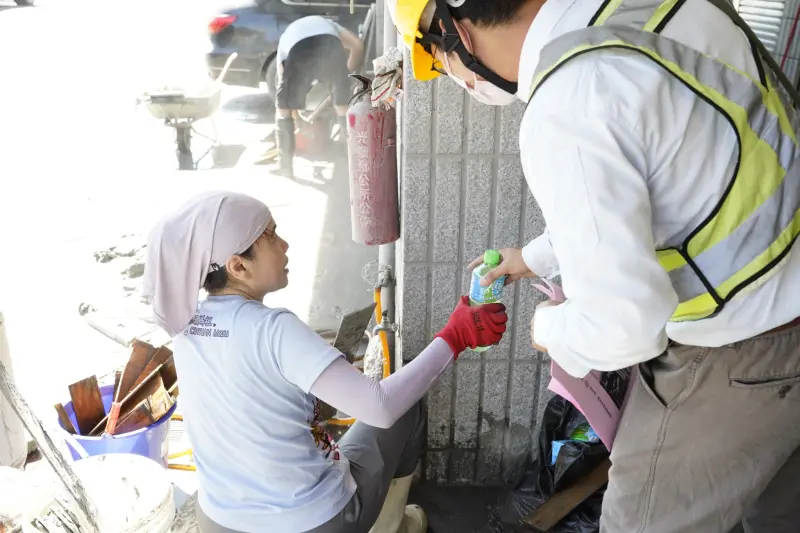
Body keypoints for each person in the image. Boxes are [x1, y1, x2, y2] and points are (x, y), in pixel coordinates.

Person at [386, 0, 800, 532]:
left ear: (455, 31)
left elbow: (624, 328)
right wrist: (531, 258)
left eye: (439, 63)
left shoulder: (568, 103)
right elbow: (670, 176)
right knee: (777, 511)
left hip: (740, 346)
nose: (454, 78)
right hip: (784, 297)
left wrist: (547, 329)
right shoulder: (650, 10)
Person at [141, 191, 508, 533]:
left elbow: (261, 397)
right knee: (405, 407)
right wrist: (454, 337)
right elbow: (380, 408)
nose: (285, 245)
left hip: (219, 521)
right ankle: (391, 525)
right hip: (310, 522)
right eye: (270, 236)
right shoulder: (273, 328)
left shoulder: (185, 325)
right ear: (238, 265)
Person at [273, 15, 365, 176]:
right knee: (342, 105)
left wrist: (296, 117)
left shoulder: (286, 38)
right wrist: (343, 77)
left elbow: (284, 87)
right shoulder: (329, 24)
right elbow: (357, 46)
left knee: (282, 106)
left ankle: (285, 166)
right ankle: (354, 165)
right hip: (330, 44)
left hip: (298, 48)